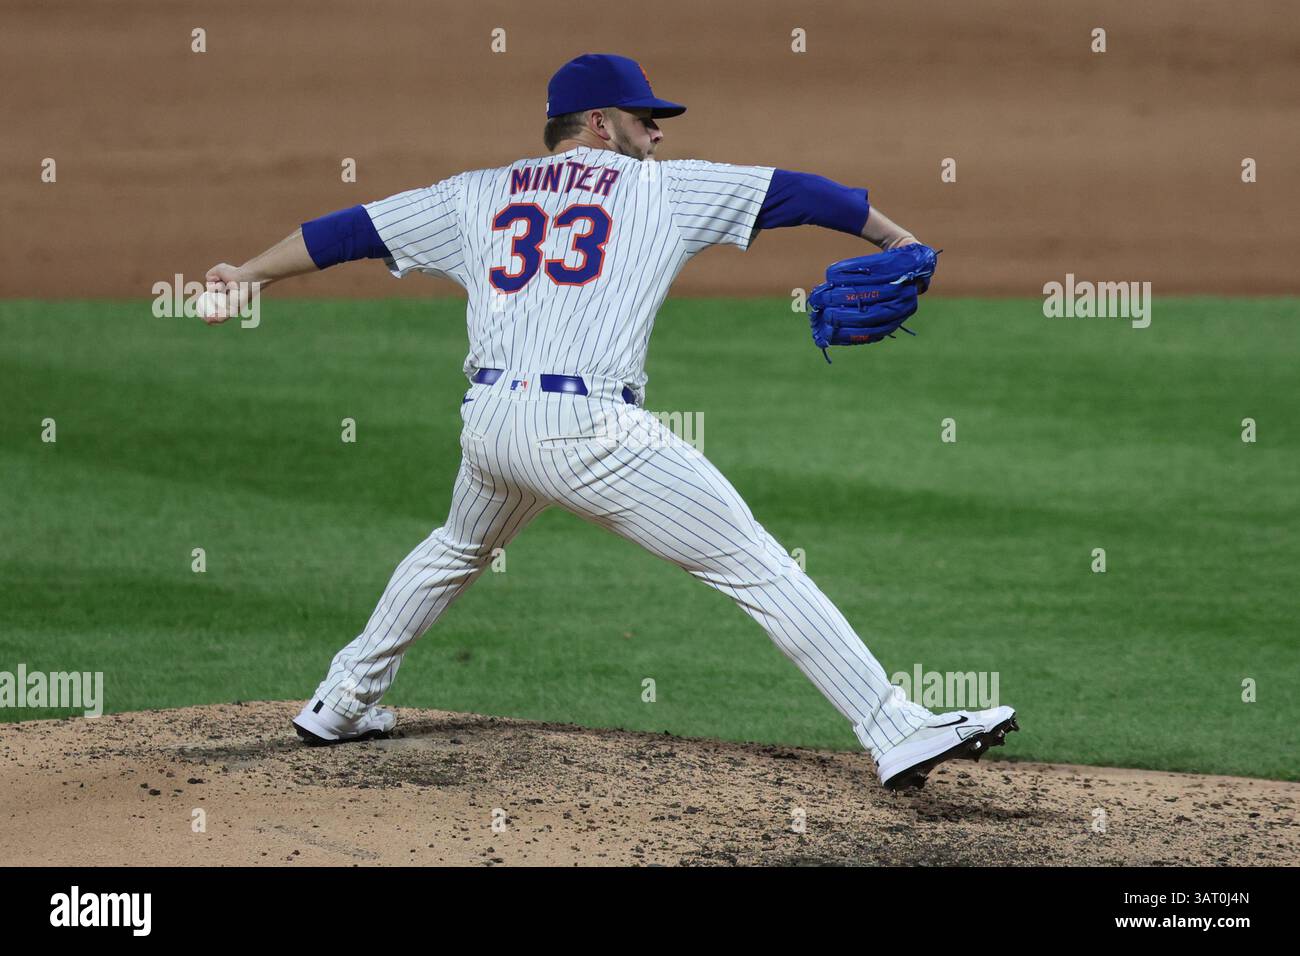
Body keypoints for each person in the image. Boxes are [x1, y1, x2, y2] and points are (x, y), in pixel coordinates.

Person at [201, 53, 1017, 789]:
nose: (657, 133)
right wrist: (892, 233)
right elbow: (797, 192)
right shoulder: (662, 188)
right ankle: (895, 727)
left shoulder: (475, 193)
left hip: (490, 424)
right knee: (753, 562)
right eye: (644, 118)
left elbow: (346, 232)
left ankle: (343, 699)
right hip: (586, 432)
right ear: (598, 124)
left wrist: (245, 276)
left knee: (458, 546)